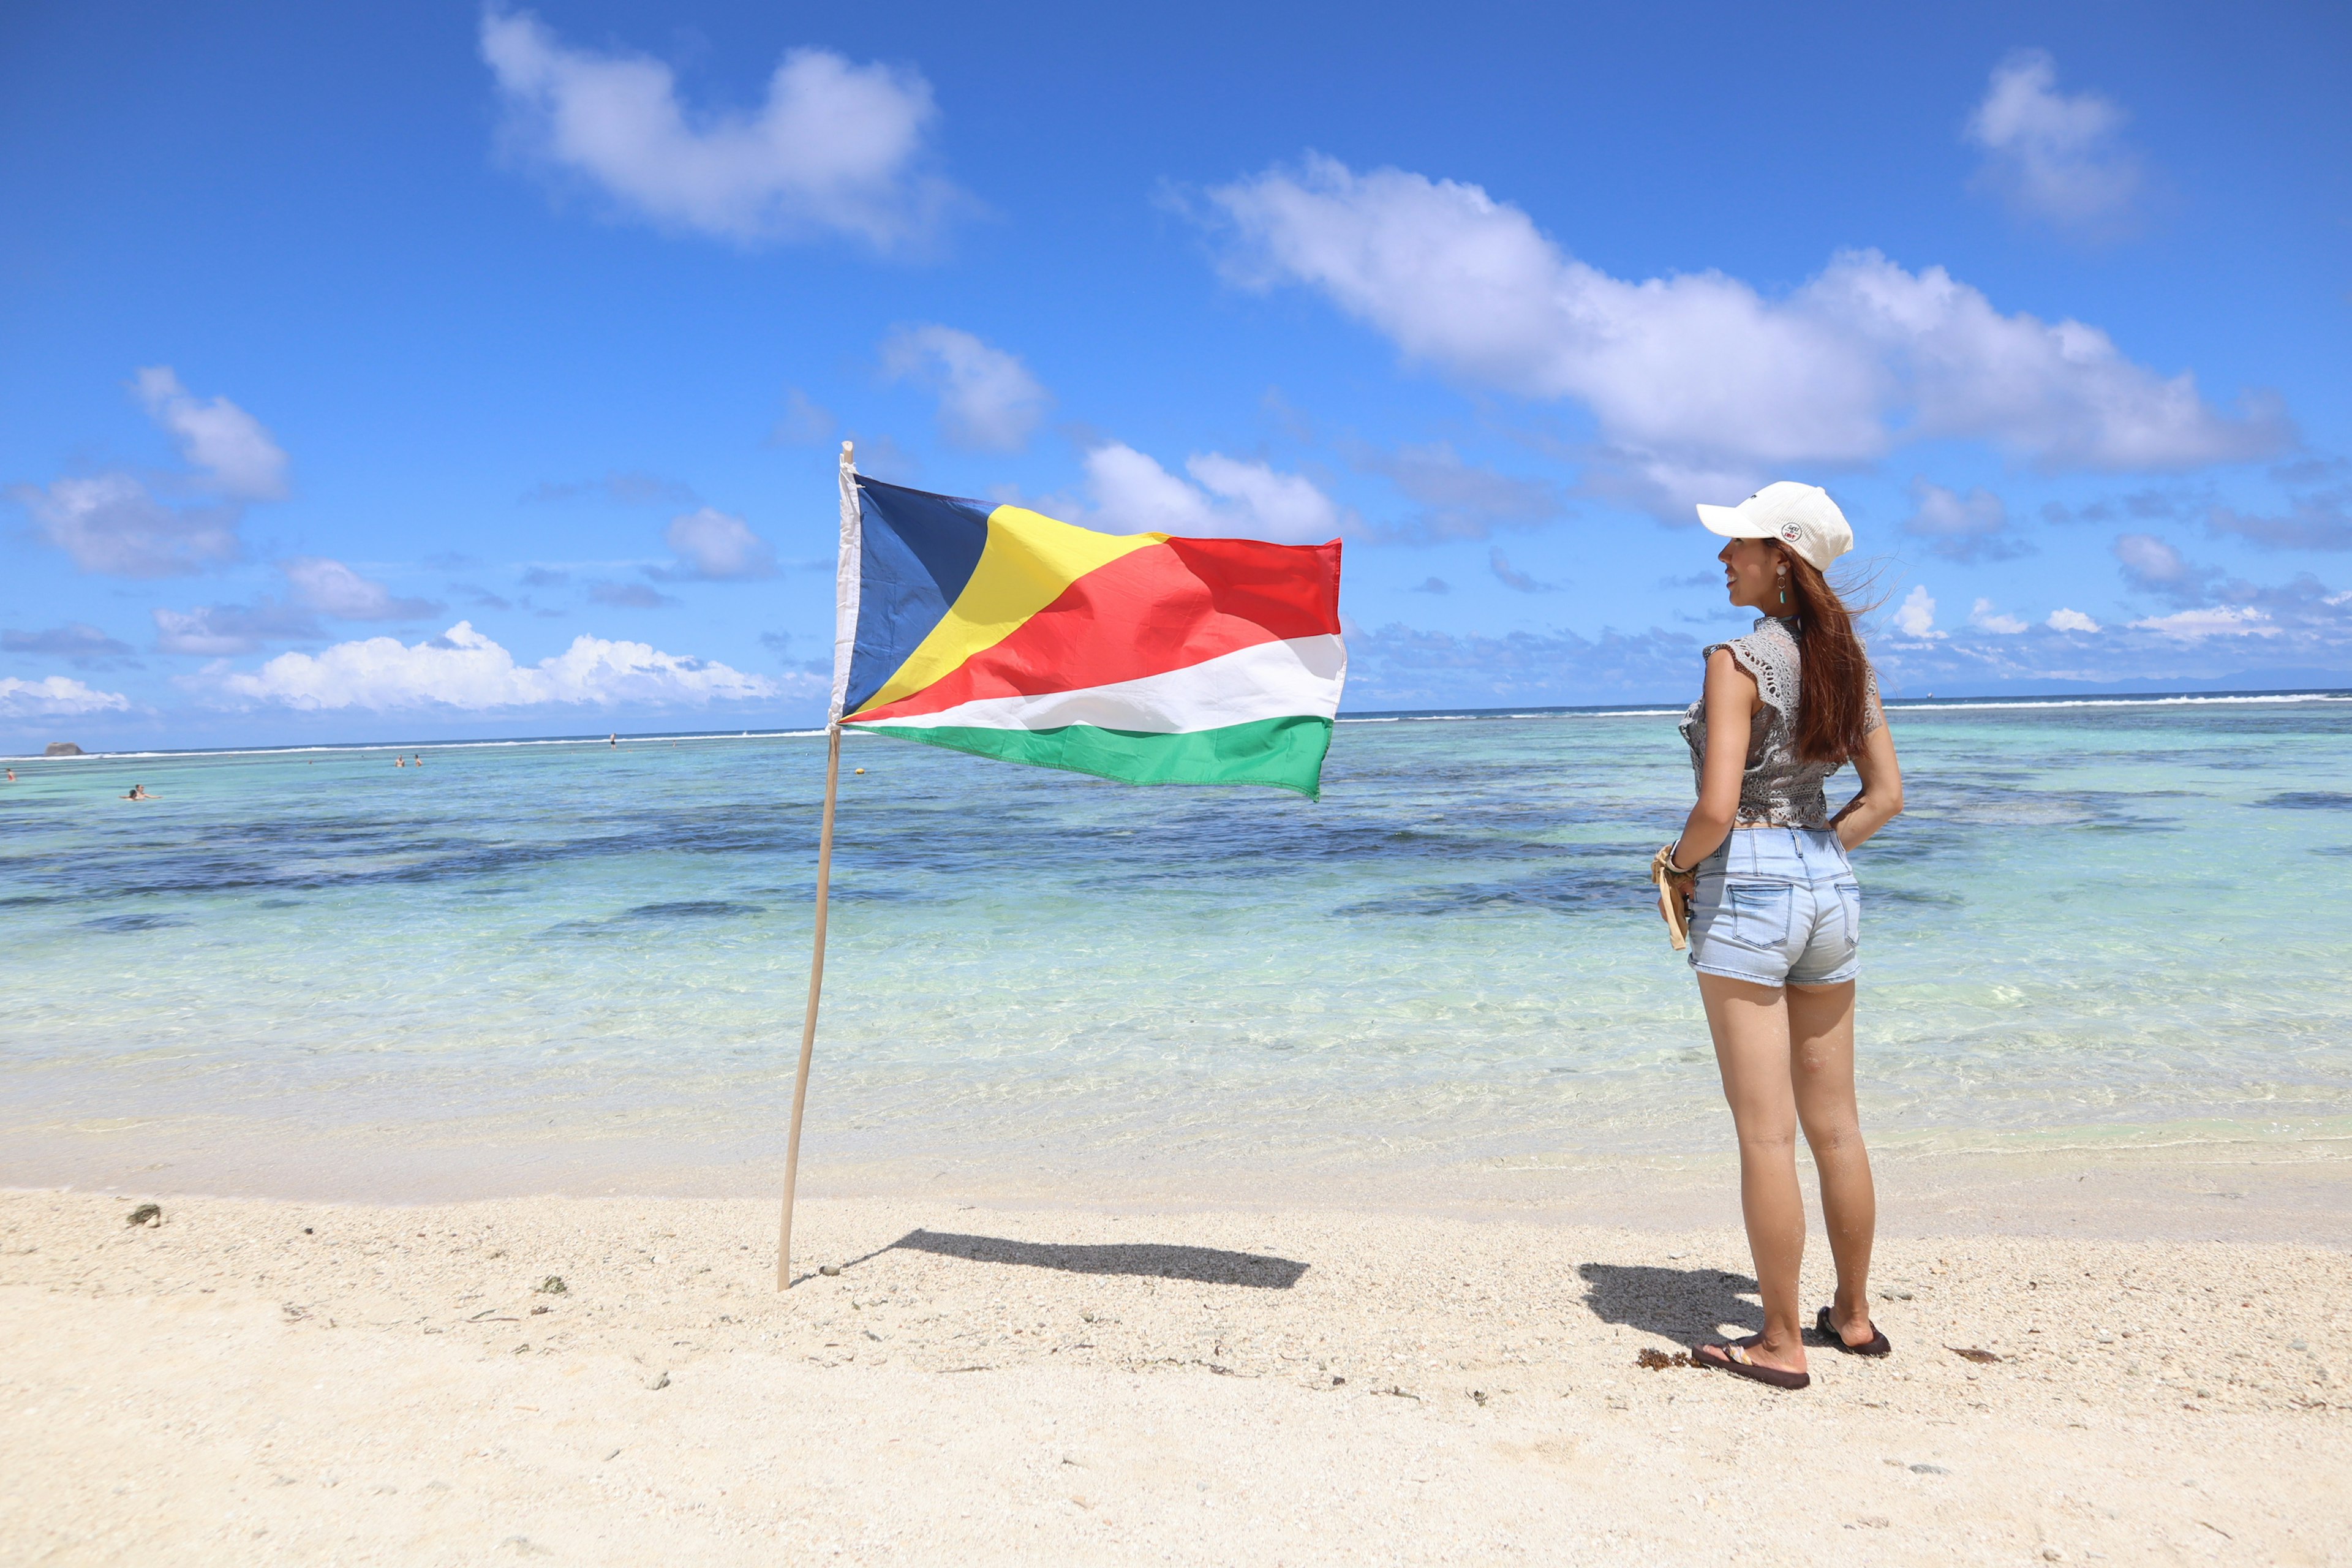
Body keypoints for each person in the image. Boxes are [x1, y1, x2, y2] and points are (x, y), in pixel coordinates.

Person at [1658, 482, 1905, 1392]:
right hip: (1829, 882)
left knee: (1766, 1137)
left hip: (1752, 885)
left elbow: (1717, 808)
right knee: (1835, 1124)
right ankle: (1852, 1316)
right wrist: (1808, 854)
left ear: (1782, 560)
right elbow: (1886, 799)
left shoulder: (1735, 660)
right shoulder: (1848, 666)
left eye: (1739, 546)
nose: (1724, 559)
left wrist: (1680, 869)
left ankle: (1778, 1342)